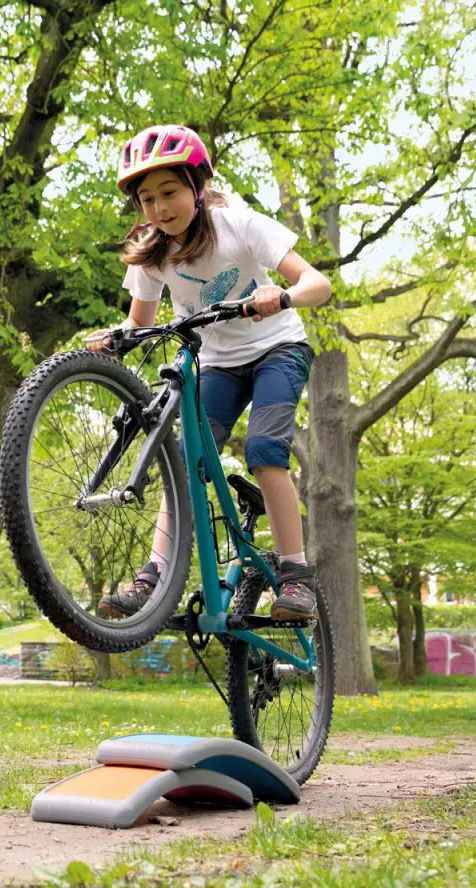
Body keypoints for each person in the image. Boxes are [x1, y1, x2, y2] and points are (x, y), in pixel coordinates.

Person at [89, 124, 333, 622]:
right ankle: (151, 580)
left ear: (197, 187)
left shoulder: (239, 225)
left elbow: (318, 283)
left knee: (266, 451)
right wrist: (115, 339)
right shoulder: (152, 251)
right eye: (147, 199)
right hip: (218, 362)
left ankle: (295, 576)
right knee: (183, 465)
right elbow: (141, 323)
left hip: (277, 348)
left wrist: (279, 296)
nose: (159, 208)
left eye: (170, 192)